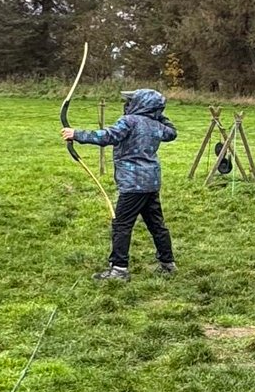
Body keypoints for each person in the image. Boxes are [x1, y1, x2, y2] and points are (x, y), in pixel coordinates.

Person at [62, 88, 178, 281]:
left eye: (132, 101)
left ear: (140, 104)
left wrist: (76, 134)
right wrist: (158, 114)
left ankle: (119, 270)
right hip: (151, 182)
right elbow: (172, 132)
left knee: (122, 224)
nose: (128, 104)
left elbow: (107, 136)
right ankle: (168, 264)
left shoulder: (129, 121)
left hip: (133, 184)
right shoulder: (156, 125)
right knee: (156, 224)